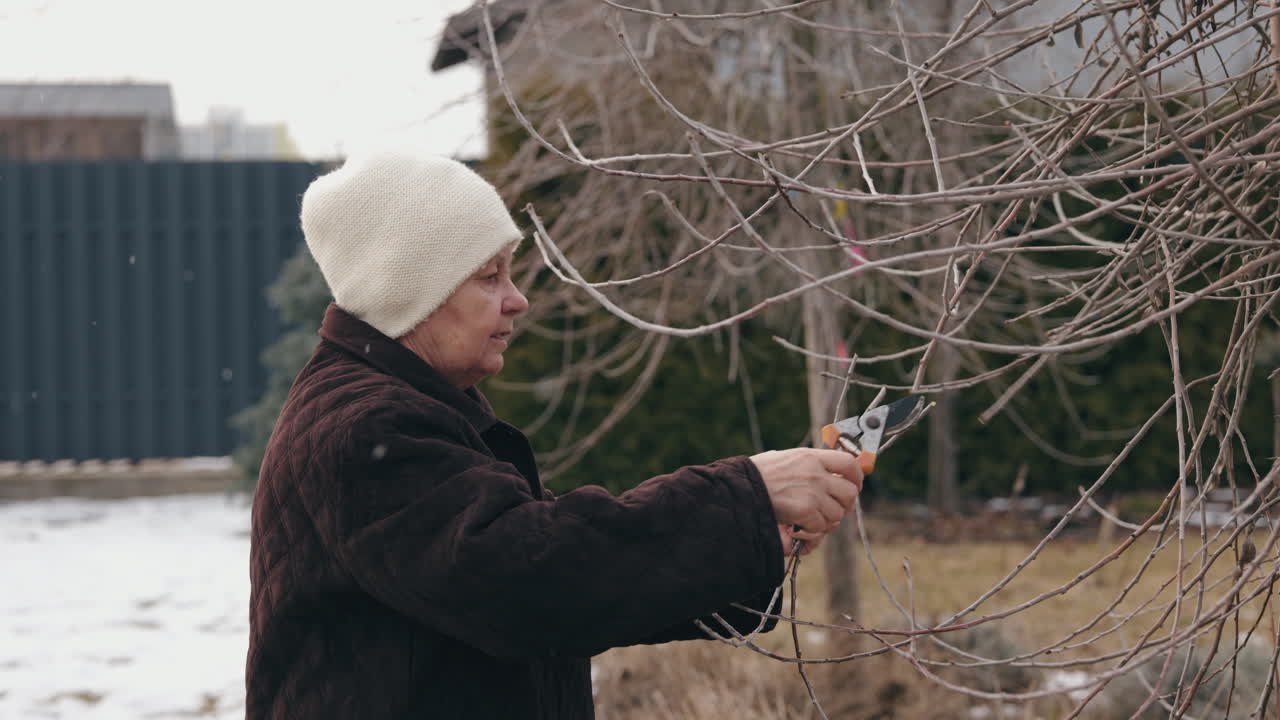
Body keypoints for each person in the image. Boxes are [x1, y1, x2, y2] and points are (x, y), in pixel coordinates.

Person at [245, 146, 864, 720]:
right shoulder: (366, 430)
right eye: (490, 276)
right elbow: (529, 578)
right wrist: (744, 498)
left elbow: (557, 588)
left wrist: (756, 536)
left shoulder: (409, 406)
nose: (518, 300)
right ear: (411, 292)